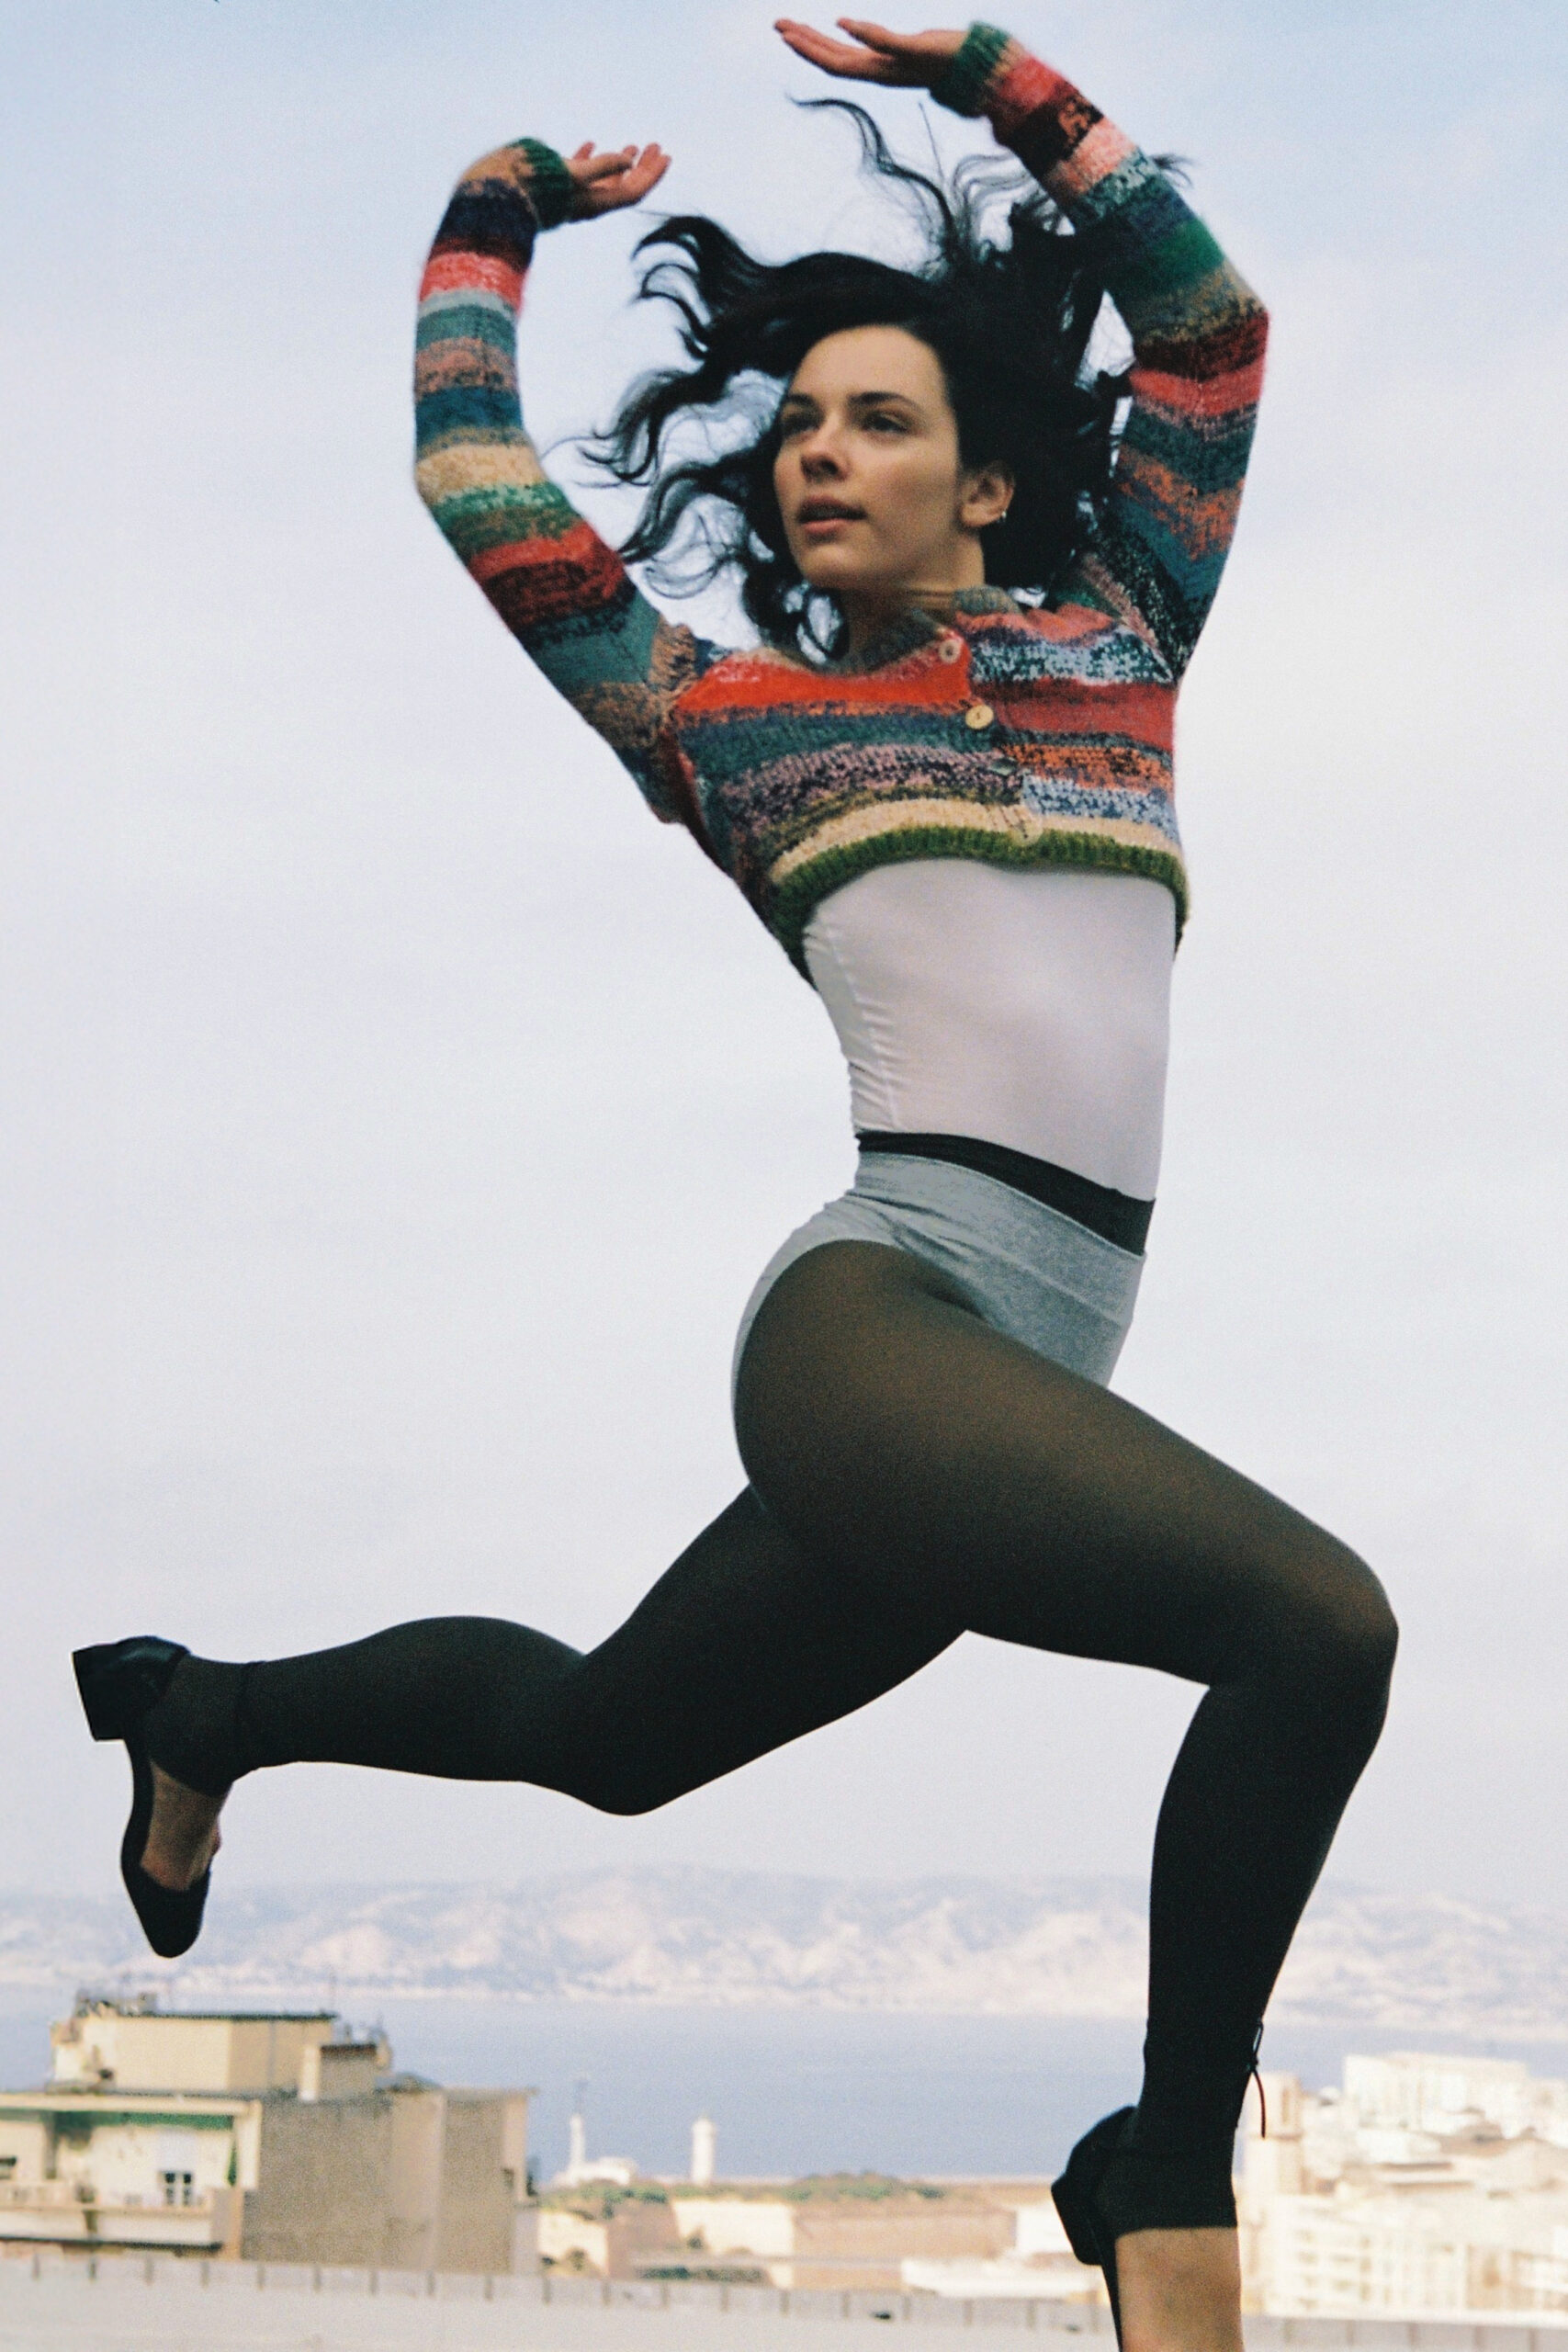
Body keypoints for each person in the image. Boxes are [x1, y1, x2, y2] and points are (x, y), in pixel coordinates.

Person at [74, 20, 1397, 2348]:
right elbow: (475, 476)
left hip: (1022, 1366)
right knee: (1315, 1626)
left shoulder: (1123, 634)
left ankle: (205, 1713)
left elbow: (1207, 333)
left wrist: (996, 76)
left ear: (990, 478)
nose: (812, 453)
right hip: (881, 1326)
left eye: (872, 418)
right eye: (794, 427)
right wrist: (496, 210)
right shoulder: (725, 721)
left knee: (609, 1737)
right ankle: (1164, 2167)